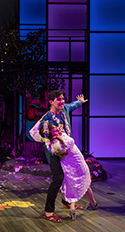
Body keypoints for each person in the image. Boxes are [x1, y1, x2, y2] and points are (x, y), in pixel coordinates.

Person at [29, 90, 89, 223]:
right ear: (51, 102)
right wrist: (54, 145)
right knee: (59, 178)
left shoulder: (65, 109)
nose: (62, 102)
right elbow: (42, 137)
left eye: (62, 99)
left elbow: (73, 105)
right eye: (58, 99)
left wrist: (80, 102)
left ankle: (66, 203)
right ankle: (48, 211)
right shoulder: (47, 119)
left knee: (68, 174)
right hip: (54, 152)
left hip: (67, 150)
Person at [30, 121, 98, 220]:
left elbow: (35, 134)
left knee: (71, 184)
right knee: (72, 182)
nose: (58, 129)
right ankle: (89, 204)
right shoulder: (59, 142)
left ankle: (72, 207)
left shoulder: (51, 141)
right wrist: (60, 138)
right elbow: (65, 148)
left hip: (71, 164)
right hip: (74, 163)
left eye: (56, 127)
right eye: (55, 130)